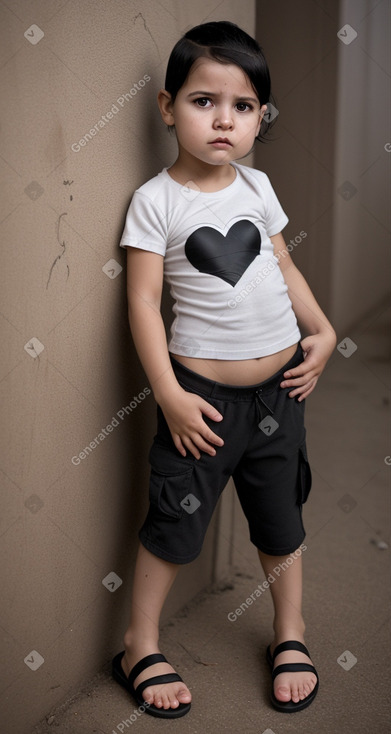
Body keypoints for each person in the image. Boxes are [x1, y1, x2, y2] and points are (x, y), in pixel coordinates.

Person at [112, 20, 336, 718]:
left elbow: (283, 264)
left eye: (243, 107)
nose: (223, 120)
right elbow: (145, 305)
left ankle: (288, 632)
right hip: (200, 402)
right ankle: (138, 642)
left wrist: (321, 330)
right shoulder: (157, 201)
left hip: (279, 394)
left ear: (259, 118)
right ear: (166, 106)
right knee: (174, 524)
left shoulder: (257, 186)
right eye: (203, 101)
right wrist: (170, 396)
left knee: (280, 519)